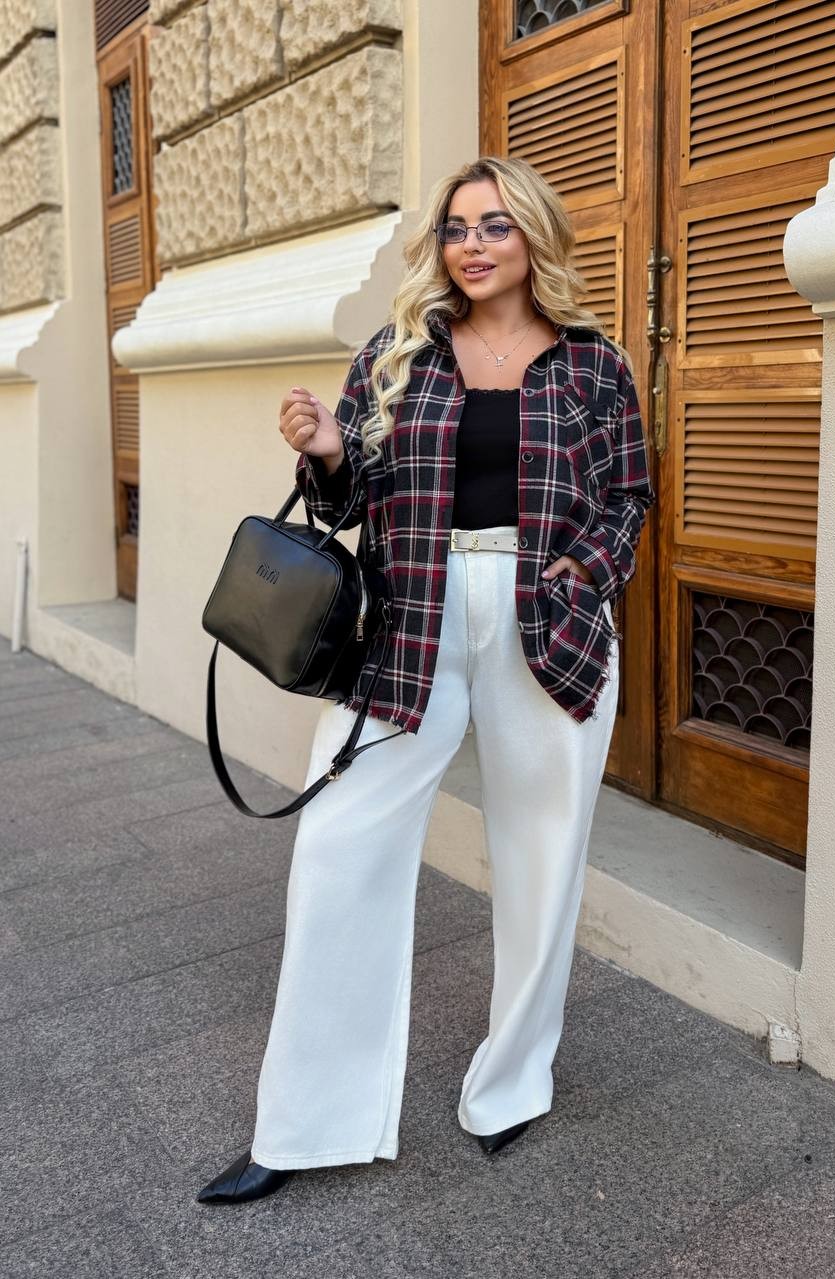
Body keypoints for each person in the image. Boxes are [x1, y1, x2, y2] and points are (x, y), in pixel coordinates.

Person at [197, 156, 654, 1205]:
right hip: (413, 617)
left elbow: (629, 496)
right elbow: (350, 502)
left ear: (533, 235)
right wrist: (325, 450)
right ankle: (304, 1122)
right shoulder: (398, 350)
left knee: (544, 853)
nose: (473, 245)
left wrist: (583, 572)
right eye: (456, 227)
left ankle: (512, 1081)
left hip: (547, 616)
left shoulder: (594, 364)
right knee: (338, 844)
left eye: (495, 226)